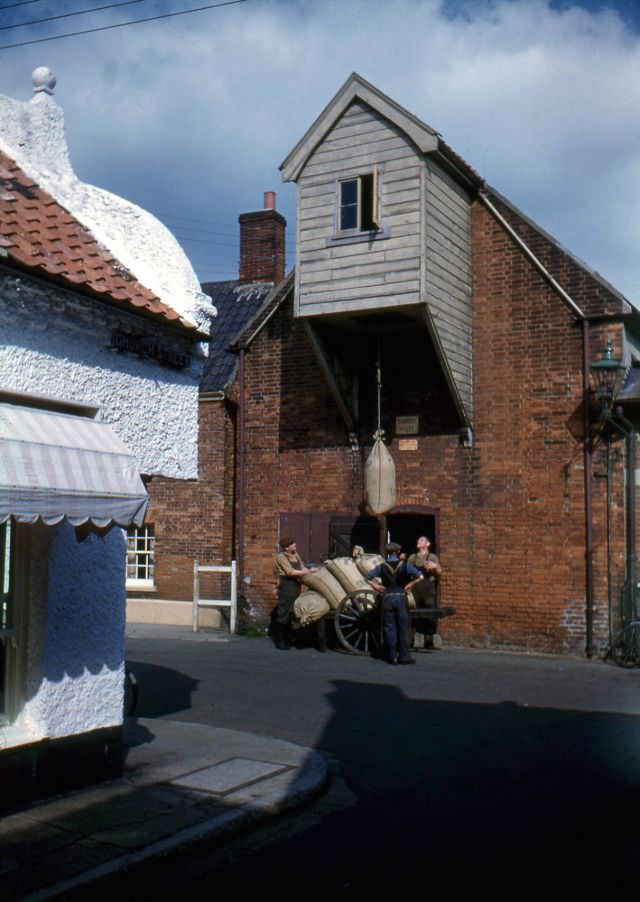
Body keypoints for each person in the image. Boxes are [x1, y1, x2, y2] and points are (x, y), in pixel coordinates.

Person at [365, 542, 423, 665]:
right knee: (403, 627)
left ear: (386, 553)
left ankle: (392, 656)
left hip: (387, 598)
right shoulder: (406, 565)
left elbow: (367, 577)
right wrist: (410, 584)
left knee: (389, 627)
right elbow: (420, 576)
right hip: (401, 598)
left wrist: (376, 586)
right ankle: (404, 657)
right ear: (397, 552)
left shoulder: (382, 566)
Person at [273, 537, 317, 650]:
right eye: (292, 544)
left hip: (295, 586)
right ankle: (279, 640)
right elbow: (290, 572)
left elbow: (302, 567)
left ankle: (289, 638)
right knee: (284, 612)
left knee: (292, 611)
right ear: (286, 547)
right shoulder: (281, 557)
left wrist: (310, 570)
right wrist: (306, 572)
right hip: (286, 585)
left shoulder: (295, 554)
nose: (295, 545)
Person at [407, 535, 443, 647]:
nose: (418, 541)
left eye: (421, 540)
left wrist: (435, 567)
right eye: (418, 539)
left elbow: (439, 572)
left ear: (427, 544)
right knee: (414, 610)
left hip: (428, 587)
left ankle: (429, 638)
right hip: (415, 587)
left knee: (429, 610)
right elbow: (407, 571)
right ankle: (415, 637)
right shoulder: (413, 557)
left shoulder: (432, 557)